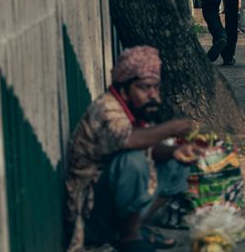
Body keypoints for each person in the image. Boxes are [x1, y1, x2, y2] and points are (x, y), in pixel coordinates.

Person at [66, 46, 199, 252]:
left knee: (177, 161)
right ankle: (129, 237)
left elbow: (149, 147)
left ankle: (133, 228)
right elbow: (129, 141)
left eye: (155, 87)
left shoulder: (136, 110)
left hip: (117, 202)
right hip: (92, 211)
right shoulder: (106, 109)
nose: (153, 95)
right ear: (124, 90)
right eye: (144, 88)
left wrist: (174, 152)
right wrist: (171, 128)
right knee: (133, 161)